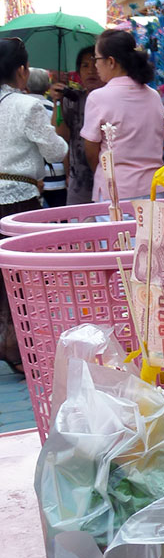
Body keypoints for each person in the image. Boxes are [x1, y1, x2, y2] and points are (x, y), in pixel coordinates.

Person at [0, 39, 67, 371]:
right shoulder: (27, 107)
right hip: (19, 203)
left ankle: (8, 343)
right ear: (22, 70)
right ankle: (21, 349)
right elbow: (56, 152)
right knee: (22, 279)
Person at [81, 30, 164, 202]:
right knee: (154, 230)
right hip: (155, 190)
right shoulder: (153, 95)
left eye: (96, 59)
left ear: (110, 62)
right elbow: (162, 136)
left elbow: (91, 150)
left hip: (116, 192)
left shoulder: (98, 98)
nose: (95, 66)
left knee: (117, 231)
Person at [61, 46, 103, 206]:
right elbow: (62, 138)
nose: (91, 71)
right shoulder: (72, 100)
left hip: (107, 180)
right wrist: (58, 101)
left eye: (95, 64)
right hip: (79, 182)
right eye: (85, 66)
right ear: (78, 72)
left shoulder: (111, 100)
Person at [26, 68, 67, 207]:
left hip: (31, 179)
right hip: (57, 176)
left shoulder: (23, 110)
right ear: (46, 87)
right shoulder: (54, 108)